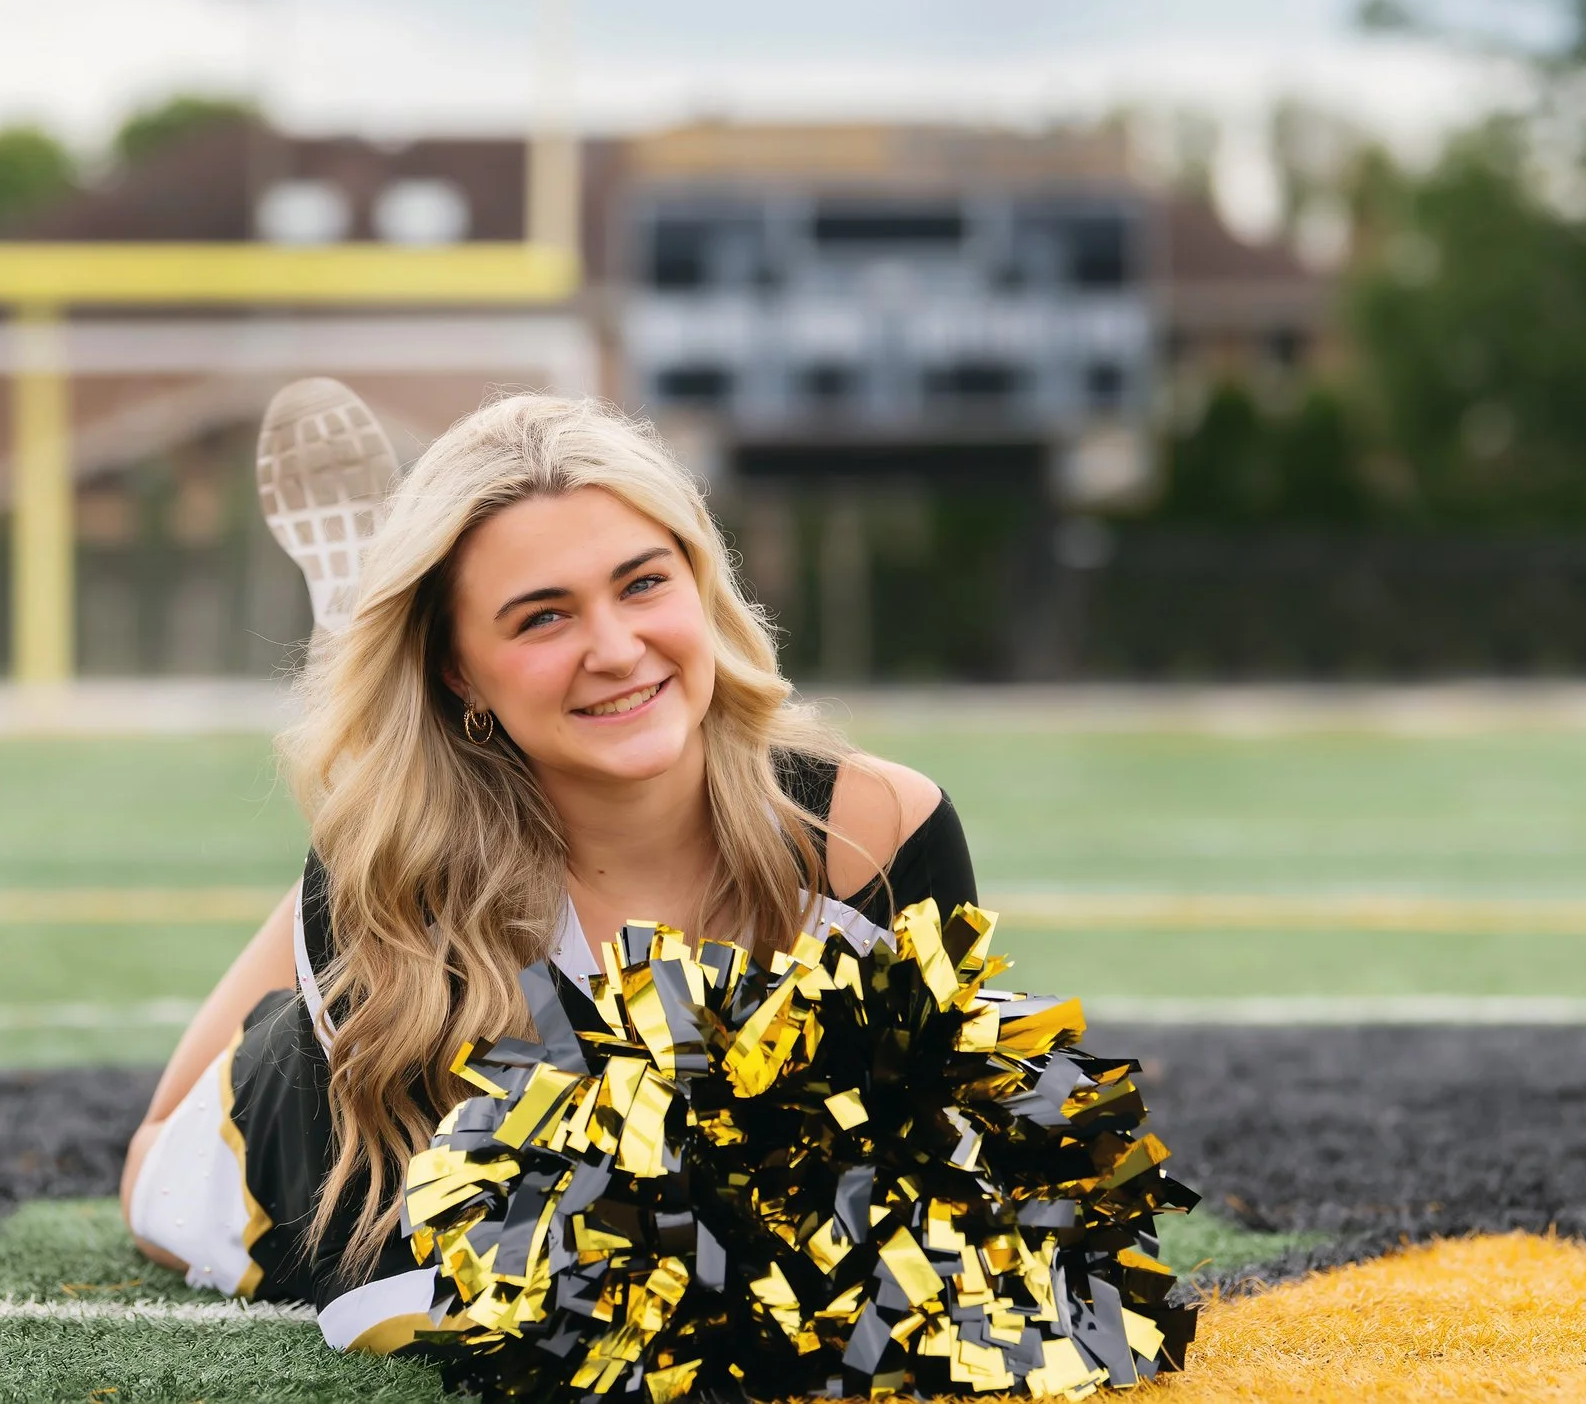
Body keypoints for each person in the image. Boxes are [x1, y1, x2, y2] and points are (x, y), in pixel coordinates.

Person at [118, 384, 977, 1353]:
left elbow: (926, 1165)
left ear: (703, 582)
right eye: (541, 617)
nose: (617, 650)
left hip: (464, 910)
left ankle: (393, 736)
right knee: (192, 1150)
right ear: (458, 671)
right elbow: (420, 1297)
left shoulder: (874, 832)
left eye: (645, 582)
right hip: (280, 1130)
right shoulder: (399, 894)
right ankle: (389, 760)